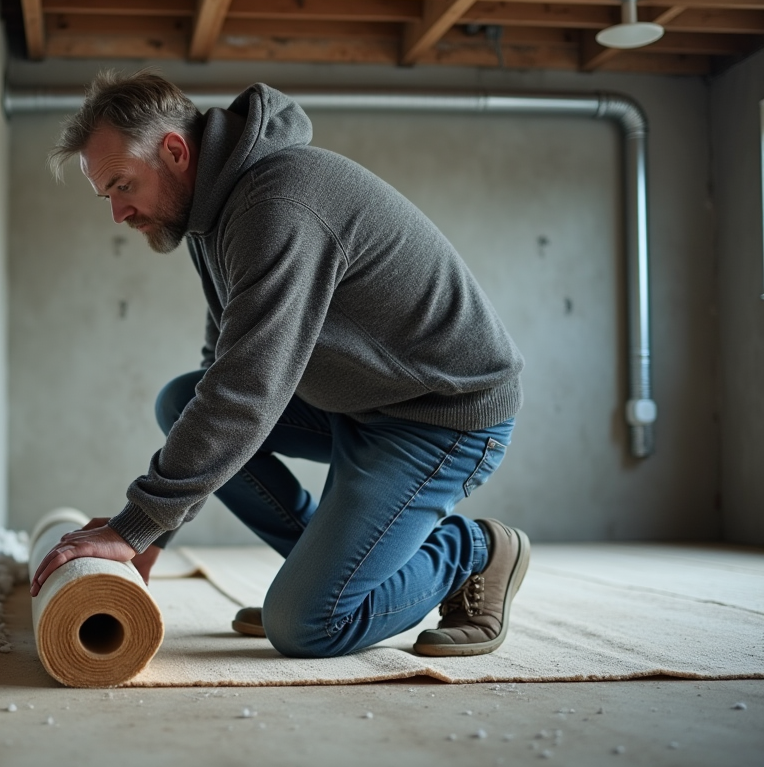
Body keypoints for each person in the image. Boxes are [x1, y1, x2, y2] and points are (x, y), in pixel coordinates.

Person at [29, 70, 530, 659]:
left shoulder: (278, 203)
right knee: (181, 403)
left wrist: (133, 524)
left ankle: (475, 551)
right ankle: (324, 579)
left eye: (122, 185)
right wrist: (155, 532)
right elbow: (224, 368)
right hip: (360, 401)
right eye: (107, 195)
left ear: (173, 150)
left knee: (305, 625)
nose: (118, 213)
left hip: (441, 416)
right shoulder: (208, 221)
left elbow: (248, 390)